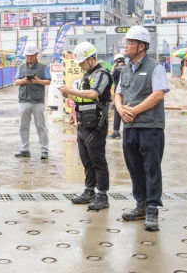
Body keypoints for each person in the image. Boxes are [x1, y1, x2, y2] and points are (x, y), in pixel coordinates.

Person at [114, 26, 169, 232]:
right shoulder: (126, 68)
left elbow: (158, 95)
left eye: (129, 43)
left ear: (141, 46)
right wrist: (120, 109)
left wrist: (134, 110)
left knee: (151, 167)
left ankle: (153, 208)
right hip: (130, 126)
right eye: (126, 42)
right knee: (134, 167)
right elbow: (118, 93)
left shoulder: (156, 68)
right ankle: (141, 205)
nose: (126, 46)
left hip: (150, 126)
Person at [61, 42, 113, 211]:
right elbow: (83, 99)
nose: (81, 66)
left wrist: (71, 92)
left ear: (91, 59)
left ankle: (102, 195)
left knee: (98, 160)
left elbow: (93, 94)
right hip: (83, 123)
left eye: (82, 62)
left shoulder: (102, 74)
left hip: (96, 124)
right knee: (86, 160)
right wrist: (74, 111)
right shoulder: (87, 76)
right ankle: (89, 191)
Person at [13, 43, 51, 159]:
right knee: (23, 126)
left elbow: (48, 81)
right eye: (27, 56)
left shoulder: (43, 67)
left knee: (41, 126)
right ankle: (25, 149)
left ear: (36, 55)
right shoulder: (21, 67)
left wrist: (38, 81)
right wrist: (24, 80)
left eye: (31, 56)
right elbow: (16, 82)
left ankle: (44, 150)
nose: (29, 58)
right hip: (24, 100)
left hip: (38, 100)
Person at [108, 53, 126, 139]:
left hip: (118, 95)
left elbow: (110, 79)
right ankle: (127, 131)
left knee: (117, 113)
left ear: (116, 62)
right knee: (126, 111)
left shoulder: (117, 70)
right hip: (127, 94)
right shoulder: (128, 68)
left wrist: (113, 69)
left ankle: (116, 132)